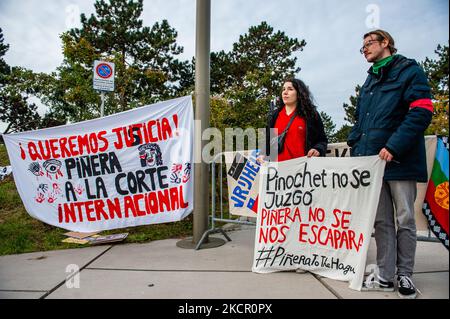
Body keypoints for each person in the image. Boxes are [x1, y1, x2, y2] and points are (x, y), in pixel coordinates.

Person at [347, 30, 433, 299]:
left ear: (386, 43)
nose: (365, 50)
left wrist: (394, 146)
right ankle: (385, 276)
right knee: (381, 221)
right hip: (373, 163)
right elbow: (361, 120)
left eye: (369, 44)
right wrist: (354, 144)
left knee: (405, 218)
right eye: (362, 48)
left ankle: (404, 275)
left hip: (400, 159)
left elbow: (422, 111)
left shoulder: (409, 71)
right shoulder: (369, 81)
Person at [258, 78, 328, 163]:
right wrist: (263, 154)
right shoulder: (274, 115)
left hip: (302, 170)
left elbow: (322, 140)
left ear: (299, 93)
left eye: (290, 89)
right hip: (277, 171)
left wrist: (317, 149)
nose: (285, 92)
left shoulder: (311, 115)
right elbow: (268, 142)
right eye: (283, 89)